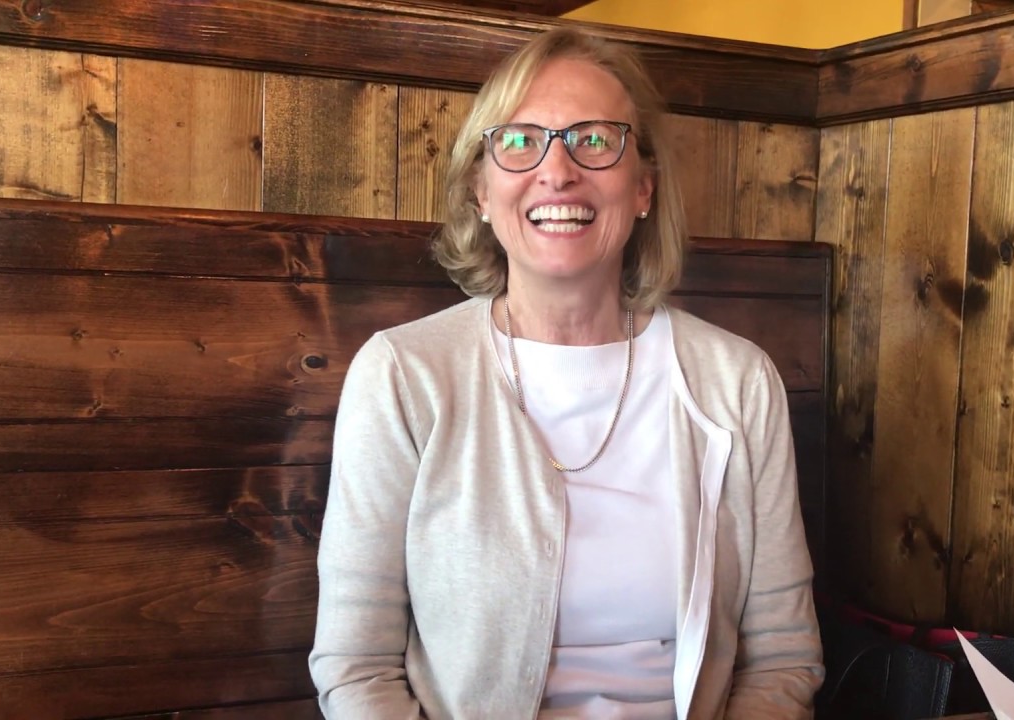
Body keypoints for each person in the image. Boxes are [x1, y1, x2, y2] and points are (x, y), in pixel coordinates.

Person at [309, 25, 823, 720]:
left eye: (595, 139)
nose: (557, 171)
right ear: (480, 191)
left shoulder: (738, 381)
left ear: (643, 188)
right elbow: (355, 668)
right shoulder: (404, 375)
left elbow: (785, 659)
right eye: (520, 141)